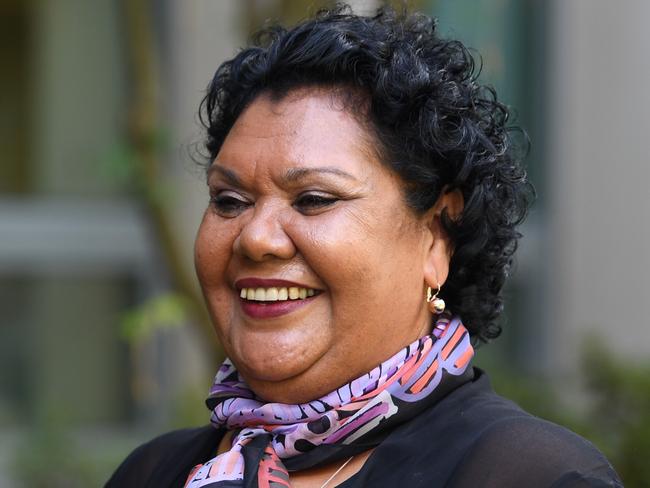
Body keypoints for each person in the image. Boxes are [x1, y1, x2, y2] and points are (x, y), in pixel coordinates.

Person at [108, 5, 622, 487]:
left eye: (312, 199)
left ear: (437, 235)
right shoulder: (154, 473)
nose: (256, 237)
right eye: (229, 199)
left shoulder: (529, 475)